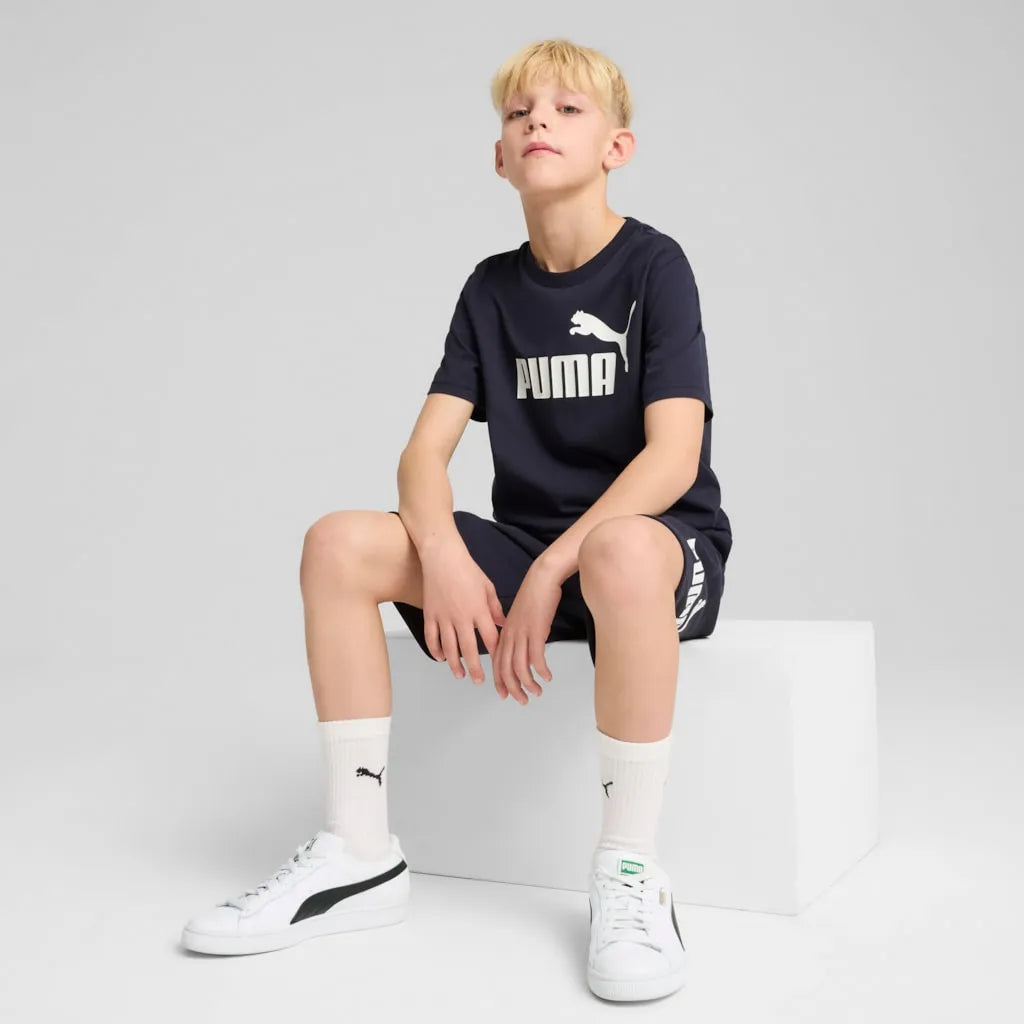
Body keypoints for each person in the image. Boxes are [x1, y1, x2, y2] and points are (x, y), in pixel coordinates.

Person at [181, 37, 732, 1004]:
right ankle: (358, 853)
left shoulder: (655, 266)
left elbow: (672, 458)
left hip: (651, 554)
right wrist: (439, 552)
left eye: (567, 109)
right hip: (529, 551)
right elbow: (421, 456)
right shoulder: (491, 288)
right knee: (338, 543)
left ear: (618, 147)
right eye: (520, 113)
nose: (538, 122)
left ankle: (631, 871)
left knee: (614, 549)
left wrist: (554, 567)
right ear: (499, 156)